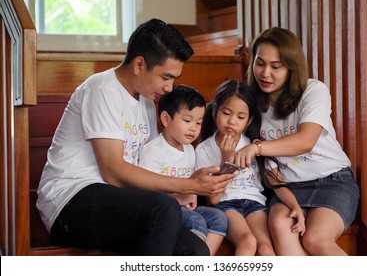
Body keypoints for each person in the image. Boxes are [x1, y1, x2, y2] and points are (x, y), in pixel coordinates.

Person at [36, 18, 234, 256]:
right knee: (163, 209)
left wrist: (186, 188)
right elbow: (113, 172)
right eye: (165, 77)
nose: (170, 88)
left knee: (194, 249)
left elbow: (143, 168)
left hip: (122, 202)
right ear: (140, 64)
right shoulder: (102, 89)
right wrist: (188, 184)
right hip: (70, 201)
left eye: (174, 79)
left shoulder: (148, 102)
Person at [231, 27, 360, 256]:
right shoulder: (250, 104)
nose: (265, 73)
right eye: (260, 63)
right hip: (286, 188)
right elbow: (267, 167)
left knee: (316, 239)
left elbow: (305, 141)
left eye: (276, 66)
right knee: (281, 226)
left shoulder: (313, 90)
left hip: (331, 179)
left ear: (291, 67)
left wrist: (257, 147)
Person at [195, 80, 305, 256]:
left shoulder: (254, 146)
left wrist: (295, 206)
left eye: (240, 117)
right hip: (226, 204)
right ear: (215, 111)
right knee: (248, 242)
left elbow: (277, 182)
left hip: (255, 204)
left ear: (248, 120)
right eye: (226, 113)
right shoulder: (204, 150)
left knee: (266, 250)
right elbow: (214, 199)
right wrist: (226, 158)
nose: (232, 121)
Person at [138, 85, 228, 255]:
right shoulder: (154, 150)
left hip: (184, 208)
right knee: (196, 220)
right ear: (166, 119)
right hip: (162, 213)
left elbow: (189, 183)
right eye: (187, 121)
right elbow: (146, 193)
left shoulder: (189, 149)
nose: (193, 128)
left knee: (219, 218)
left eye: (199, 122)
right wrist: (180, 198)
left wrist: (193, 194)